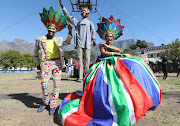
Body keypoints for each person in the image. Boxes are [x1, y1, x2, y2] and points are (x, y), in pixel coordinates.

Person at [58, 16, 161, 126]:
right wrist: (113, 52)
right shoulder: (102, 44)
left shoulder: (109, 45)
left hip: (114, 61)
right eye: (107, 36)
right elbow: (104, 53)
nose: (109, 38)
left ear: (113, 37)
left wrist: (114, 50)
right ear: (104, 36)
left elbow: (118, 50)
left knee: (135, 63)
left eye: (111, 36)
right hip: (103, 63)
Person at [34, 6, 73, 115]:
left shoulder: (59, 39)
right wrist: (38, 65)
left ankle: (53, 105)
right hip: (45, 63)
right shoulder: (39, 39)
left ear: (56, 30)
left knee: (56, 84)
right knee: (44, 84)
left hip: (57, 64)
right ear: (47, 28)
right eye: (50, 29)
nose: (51, 31)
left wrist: (70, 32)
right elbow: (35, 53)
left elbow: (68, 42)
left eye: (53, 29)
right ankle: (45, 102)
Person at [60, 2, 96, 82]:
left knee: (87, 60)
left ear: (87, 14)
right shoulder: (78, 22)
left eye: (85, 12)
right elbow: (69, 17)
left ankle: (86, 76)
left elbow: (93, 32)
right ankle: (80, 77)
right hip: (79, 43)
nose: (83, 13)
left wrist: (94, 40)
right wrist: (63, 8)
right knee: (79, 60)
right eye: (82, 12)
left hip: (87, 43)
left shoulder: (90, 23)